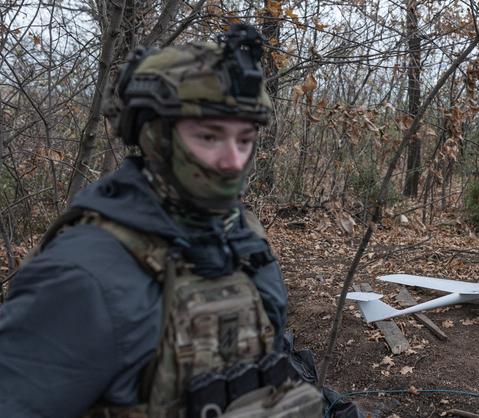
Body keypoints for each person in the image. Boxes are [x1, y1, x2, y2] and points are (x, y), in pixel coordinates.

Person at [0, 24, 322, 417]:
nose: (233, 160)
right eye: (209, 136)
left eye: (244, 139)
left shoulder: (243, 236)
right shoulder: (82, 273)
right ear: (156, 136)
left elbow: (260, 370)